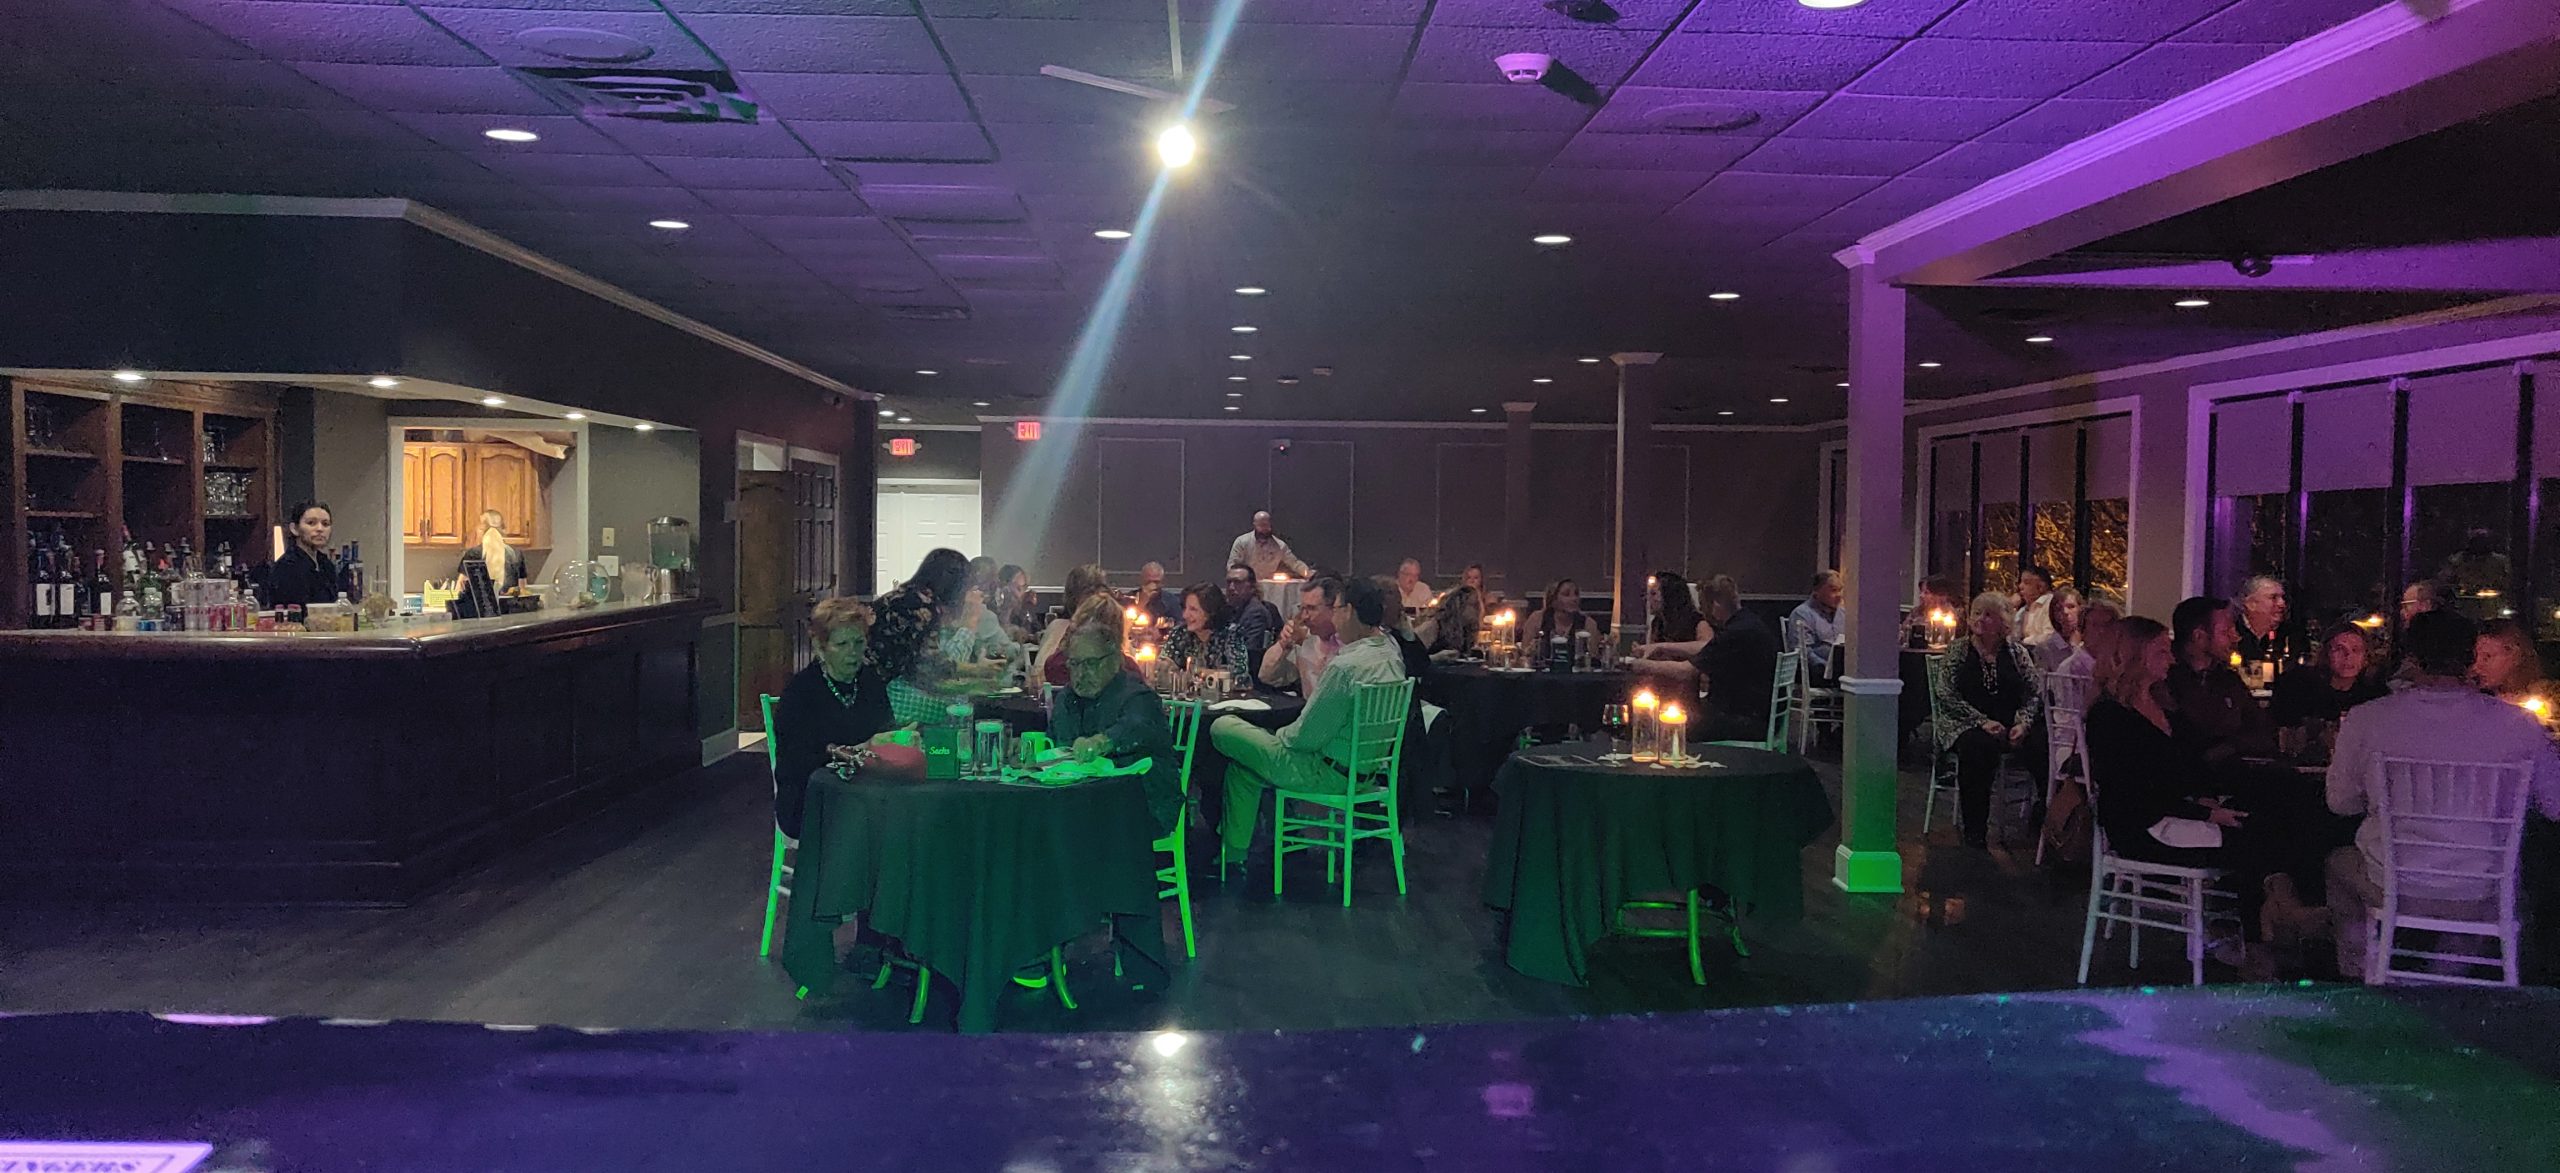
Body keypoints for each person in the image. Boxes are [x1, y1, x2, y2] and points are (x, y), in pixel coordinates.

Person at [2326, 610, 2560, 979]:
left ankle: (2360, 974)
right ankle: (2446, 976)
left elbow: (2339, 803)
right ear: (2470, 659)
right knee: (2524, 888)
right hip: (2481, 888)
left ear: (2412, 659)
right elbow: (2555, 804)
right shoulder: (2518, 725)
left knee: (2339, 864)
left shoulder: (2369, 718)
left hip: (2393, 883)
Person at [2085, 616, 2322, 953]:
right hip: (2141, 823)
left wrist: (2211, 799)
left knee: (2276, 807)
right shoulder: (2109, 716)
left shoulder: (2163, 706)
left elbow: (2194, 761)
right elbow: (2134, 790)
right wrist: (2204, 812)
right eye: (2162, 652)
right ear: (2134, 656)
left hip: (2178, 808)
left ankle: (2268, 918)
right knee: (2251, 834)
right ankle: (2260, 933)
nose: (2171, 659)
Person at [1210, 576, 1407, 867]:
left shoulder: (1346, 667)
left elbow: (1304, 738)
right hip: (1365, 771)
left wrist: (1276, 737)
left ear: (1349, 611)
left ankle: (1230, 853)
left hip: (1323, 772)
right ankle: (1232, 856)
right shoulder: (1391, 654)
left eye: (1336, 608)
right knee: (1243, 770)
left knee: (1222, 726)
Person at [769, 597, 893, 839]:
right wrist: (862, 749)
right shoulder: (801, 692)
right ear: (820, 647)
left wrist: (899, 738)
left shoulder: (869, 681)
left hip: (865, 791)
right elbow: (798, 763)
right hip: (810, 798)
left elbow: (885, 731)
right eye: (842, 644)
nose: (853, 652)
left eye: (859, 642)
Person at [1049, 619, 1182, 836]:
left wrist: (1100, 742)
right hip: (1082, 801)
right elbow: (1057, 745)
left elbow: (1134, 726)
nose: (1081, 674)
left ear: (1114, 661)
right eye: (1074, 664)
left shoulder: (1137, 696)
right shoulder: (1067, 698)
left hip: (1142, 804)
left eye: (1090, 663)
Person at [1932, 592, 2043, 849]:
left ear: (2004, 623)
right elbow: (1945, 693)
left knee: (2041, 741)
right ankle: (1975, 829)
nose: (1981, 619)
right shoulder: (1959, 650)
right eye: (1977, 613)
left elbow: (2034, 691)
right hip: (1966, 722)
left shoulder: (2016, 653)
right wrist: (1981, 721)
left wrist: (2023, 722)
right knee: (1976, 747)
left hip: (2009, 723)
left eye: (1989, 614)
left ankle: (2047, 819)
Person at [871, 548, 1004, 724]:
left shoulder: (904, 596)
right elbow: (934, 669)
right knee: (959, 713)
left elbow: (924, 666)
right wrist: (970, 622)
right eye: (965, 587)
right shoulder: (922, 608)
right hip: (887, 697)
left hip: (876, 688)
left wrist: (977, 673)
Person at [2162, 595, 2277, 766]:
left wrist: (2231, 746)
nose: (2236, 637)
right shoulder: (2165, 679)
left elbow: (2263, 731)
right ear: (2199, 636)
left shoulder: (2228, 680)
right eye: (2225, 631)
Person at [1689, 575, 1781, 742]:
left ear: (1715, 604)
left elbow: (1687, 671)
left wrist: (1639, 665)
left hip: (1746, 721)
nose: (1704, 613)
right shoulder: (1750, 623)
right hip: (1760, 715)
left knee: (1679, 724)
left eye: (1703, 607)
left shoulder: (1735, 634)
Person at [2268, 623, 2388, 729]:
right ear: (2326, 653)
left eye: (2356, 650)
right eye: (2339, 649)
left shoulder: (2376, 697)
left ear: (2366, 657)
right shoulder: (2297, 687)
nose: (2348, 656)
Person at [1625, 571, 1711, 691]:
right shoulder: (1657, 623)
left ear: (1670, 596)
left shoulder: (1697, 621)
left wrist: (1660, 647)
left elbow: (1707, 647)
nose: (1648, 599)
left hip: (1691, 688)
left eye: (1654, 594)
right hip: (1663, 686)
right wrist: (1644, 652)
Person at [1261, 576, 1346, 695]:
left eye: (1311, 609)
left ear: (1333, 609)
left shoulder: (1351, 642)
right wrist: (1283, 645)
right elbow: (1267, 677)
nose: (1305, 616)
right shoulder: (1305, 640)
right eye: (1302, 608)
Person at [1033, 564, 1115, 685]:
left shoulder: (1113, 631)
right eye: (1091, 592)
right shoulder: (1059, 628)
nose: (1097, 598)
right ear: (1076, 597)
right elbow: (1039, 677)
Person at [1163, 583, 1247, 681]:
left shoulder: (1231, 633)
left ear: (1211, 612)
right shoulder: (1179, 633)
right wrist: (1163, 665)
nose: (1185, 615)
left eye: (1193, 609)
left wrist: (1196, 672)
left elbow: (1238, 674)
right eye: (1185, 608)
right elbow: (1166, 664)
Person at [265, 500, 341, 608]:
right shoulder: (286, 567)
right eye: (311, 523)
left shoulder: (326, 564)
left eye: (325, 524)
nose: (320, 529)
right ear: (295, 529)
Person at [2470, 617, 2550, 708]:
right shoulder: (2471, 699)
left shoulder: (2548, 698)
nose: (2476, 666)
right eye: (2476, 656)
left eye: (2487, 657)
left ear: (2516, 656)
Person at [1221, 564, 1284, 670]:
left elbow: (1250, 653)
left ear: (1252, 587)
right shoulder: (1229, 610)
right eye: (1229, 582)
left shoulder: (1256, 613)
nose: (1231, 587)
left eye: (1238, 582)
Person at [1788, 569, 1846, 680]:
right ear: (1817, 591)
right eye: (1833, 590)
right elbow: (1803, 651)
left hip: (1842, 671)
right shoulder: (1802, 614)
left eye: (1840, 590)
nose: (1839, 595)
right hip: (1815, 671)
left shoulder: (1843, 614)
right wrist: (1825, 668)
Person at [2055, 593, 2123, 684]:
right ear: (2083, 630)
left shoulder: (2123, 667)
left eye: (2108, 625)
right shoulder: (2069, 670)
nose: (2102, 631)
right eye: (2095, 625)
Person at [1226, 511, 1311, 581]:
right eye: (1261, 525)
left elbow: (1294, 563)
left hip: (1269, 587)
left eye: (1266, 525)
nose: (1264, 529)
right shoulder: (1242, 542)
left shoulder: (1280, 546)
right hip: (1247, 585)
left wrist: (1308, 573)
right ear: (1254, 525)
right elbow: (1233, 566)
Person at [458, 508, 527, 593]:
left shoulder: (473, 554)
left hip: (481, 605)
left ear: (481, 530)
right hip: (509, 605)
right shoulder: (516, 554)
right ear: (503, 530)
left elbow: (460, 588)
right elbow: (522, 590)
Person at [1524, 577, 1599, 653]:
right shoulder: (1537, 619)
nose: (1574, 598)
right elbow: (1525, 651)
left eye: (1576, 594)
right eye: (1566, 594)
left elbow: (1593, 656)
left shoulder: (1588, 624)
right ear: (1554, 599)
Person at [2233, 575, 2293, 666]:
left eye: (2283, 598)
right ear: (2251, 604)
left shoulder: (2289, 635)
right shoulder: (2232, 633)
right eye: (2273, 598)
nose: (2282, 604)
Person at [1420, 583, 1483, 658]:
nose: (1477, 609)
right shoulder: (1435, 625)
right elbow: (1412, 656)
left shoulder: (1467, 629)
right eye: (1472, 605)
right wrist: (1436, 658)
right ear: (1460, 606)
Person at [1901, 574, 1961, 649]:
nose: (1921, 595)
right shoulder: (1916, 612)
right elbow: (1904, 633)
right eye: (1921, 592)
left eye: (1926, 592)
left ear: (1941, 595)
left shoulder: (1952, 616)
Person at [2032, 587, 2082, 675]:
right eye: (2059, 609)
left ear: (2080, 609)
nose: (2065, 612)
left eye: (2071, 607)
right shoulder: (2044, 649)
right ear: (2054, 614)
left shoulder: (2092, 645)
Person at [2012, 565, 2056, 646]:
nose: (2020, 587)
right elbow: (2013, 636)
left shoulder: (2051, 603)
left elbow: (2050, 636)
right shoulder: (2023, 609)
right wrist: (2011, 607)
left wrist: (2023, 643)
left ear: (2041, 587)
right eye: (2021, 582)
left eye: (2026, 583)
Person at [995, 564, 1038, 641]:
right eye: (1018, 588)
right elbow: (1002, 636)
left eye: (1024, 587)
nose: (1022, 593)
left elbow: (1030, 633)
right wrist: (1007, 608)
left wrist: (1026, 609)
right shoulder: (993, 607)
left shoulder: (1022, 608)